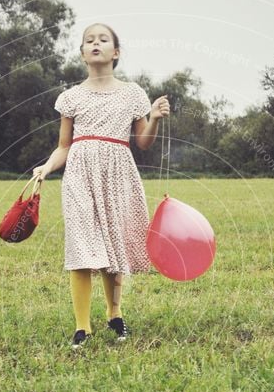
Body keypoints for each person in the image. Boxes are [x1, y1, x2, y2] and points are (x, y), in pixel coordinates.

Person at [32, 22, 170, 348]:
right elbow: (64, 145)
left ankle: (114, 314)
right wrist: (47, 166)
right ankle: (82, 327)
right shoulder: (71, 97)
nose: (96, 43)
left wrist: (153, 118)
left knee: (113, 246)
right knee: (81, 246)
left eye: (103, 39)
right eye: (89, 40)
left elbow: (143, 142)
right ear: (82, 54)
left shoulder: (133, 93)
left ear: (115, 52)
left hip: (118, 171)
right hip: (79, 173)